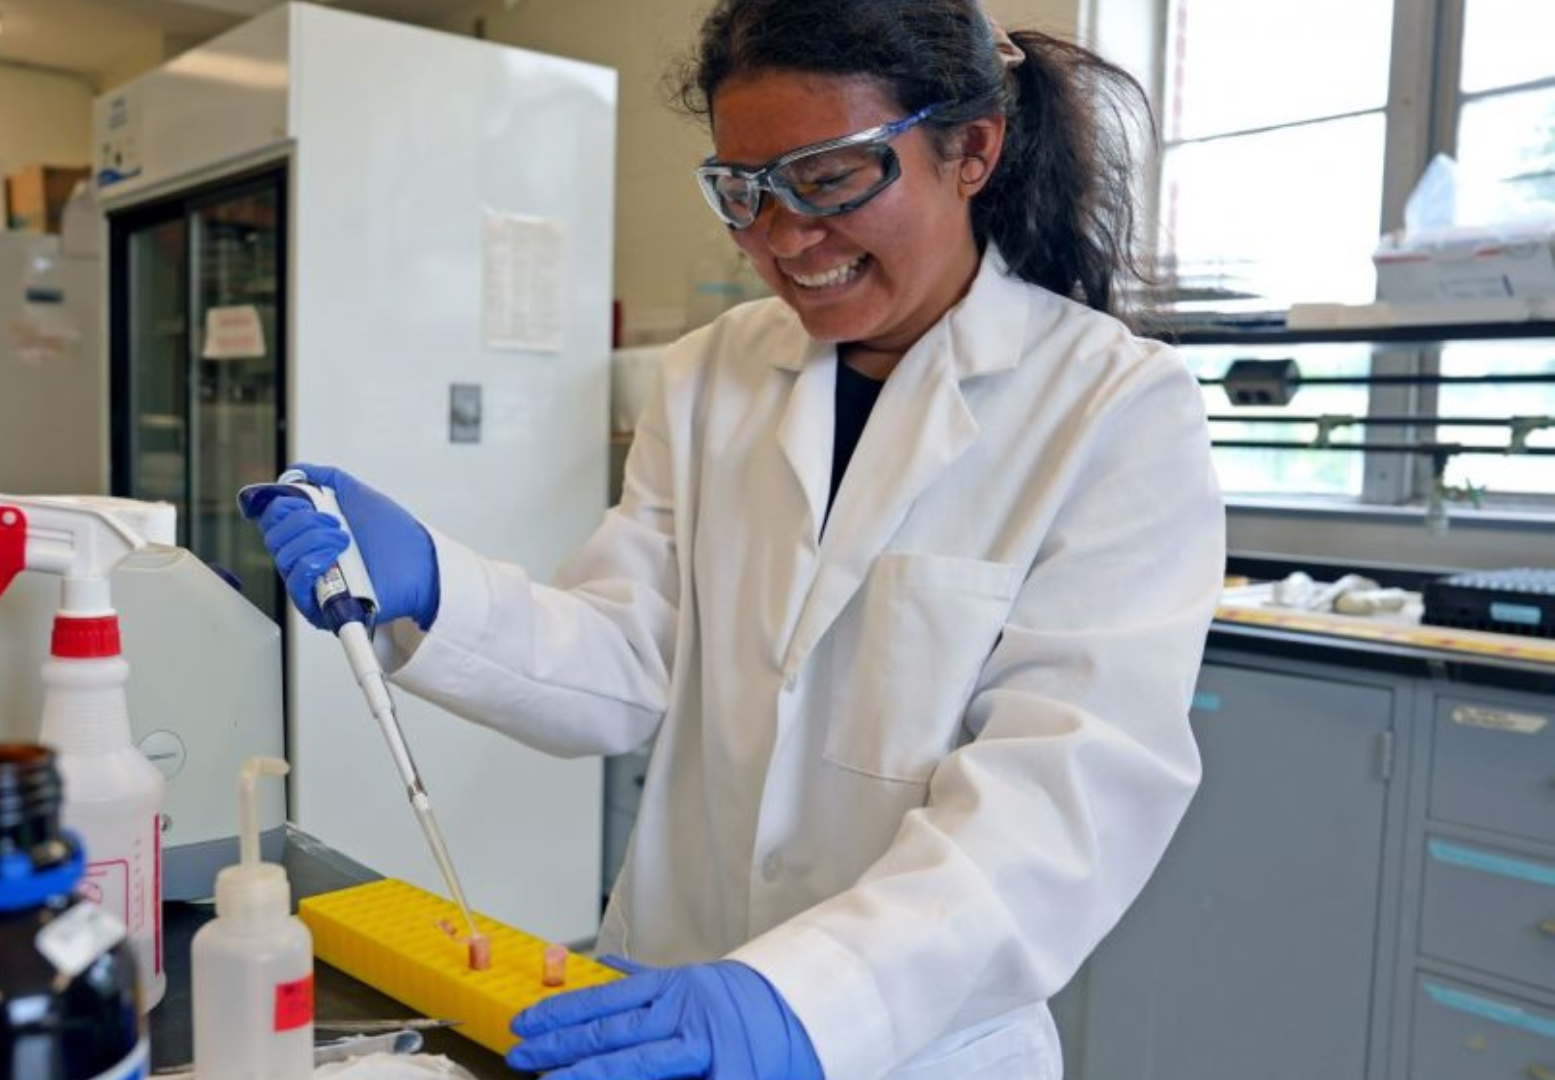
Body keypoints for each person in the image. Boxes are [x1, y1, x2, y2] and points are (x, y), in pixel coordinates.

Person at [243, 0, 1224, 1076]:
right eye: (744, 190)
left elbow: (1062, 795)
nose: (784, 238)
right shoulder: (713, 373)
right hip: (658, 992)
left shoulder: (1115, 409)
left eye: (834, 178)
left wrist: (806, 999)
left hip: (908, 1039)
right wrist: (436, 588)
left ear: (971, 150)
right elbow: (629, 656)